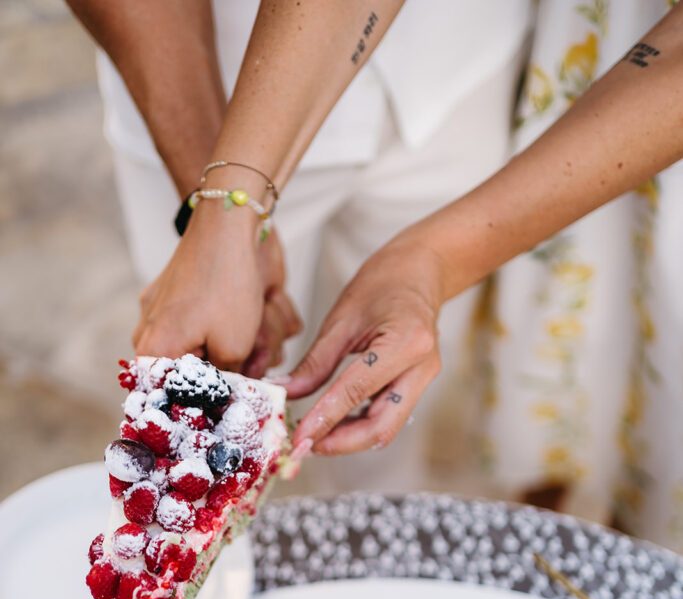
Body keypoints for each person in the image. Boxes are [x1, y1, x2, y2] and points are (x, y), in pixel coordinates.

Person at [69, 1, 683, 548]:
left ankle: (373, 542)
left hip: (456, 69)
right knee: (195, 445)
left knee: (380, 422)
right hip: (203, 75)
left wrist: (433, 262)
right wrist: (222, 209)